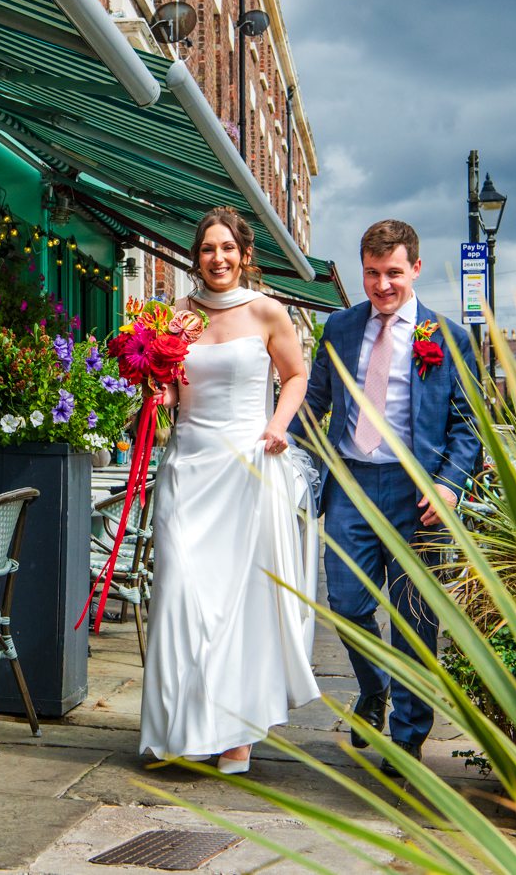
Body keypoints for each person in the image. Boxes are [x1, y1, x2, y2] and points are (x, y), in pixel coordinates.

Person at [289, 219, 480, 774]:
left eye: (393, 272)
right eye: (372, 273)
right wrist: (280, 444)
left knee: (415, 617)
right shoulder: (341, 327)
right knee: (347, 605)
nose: (382, 285)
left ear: (415, 268)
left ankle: (408, 737)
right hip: (349, 484)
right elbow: (314, 401)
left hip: (417, 493)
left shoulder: (448, 338)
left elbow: (468, 424)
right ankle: (374, 688)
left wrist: (448, 485)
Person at [139, 209, 321, 775]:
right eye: (207, 249)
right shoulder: (176, 316)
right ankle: (182, 727)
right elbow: (174, 391)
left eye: (226, 248)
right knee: (180, 593)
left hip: (246, 467)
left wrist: (278, 425)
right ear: (196, 257)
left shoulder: (267, 311)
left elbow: (296, 375)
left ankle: (237, 734)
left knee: (238, 604)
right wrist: (156, 393)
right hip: (188, 468)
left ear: (244, 255)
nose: (217, 258)